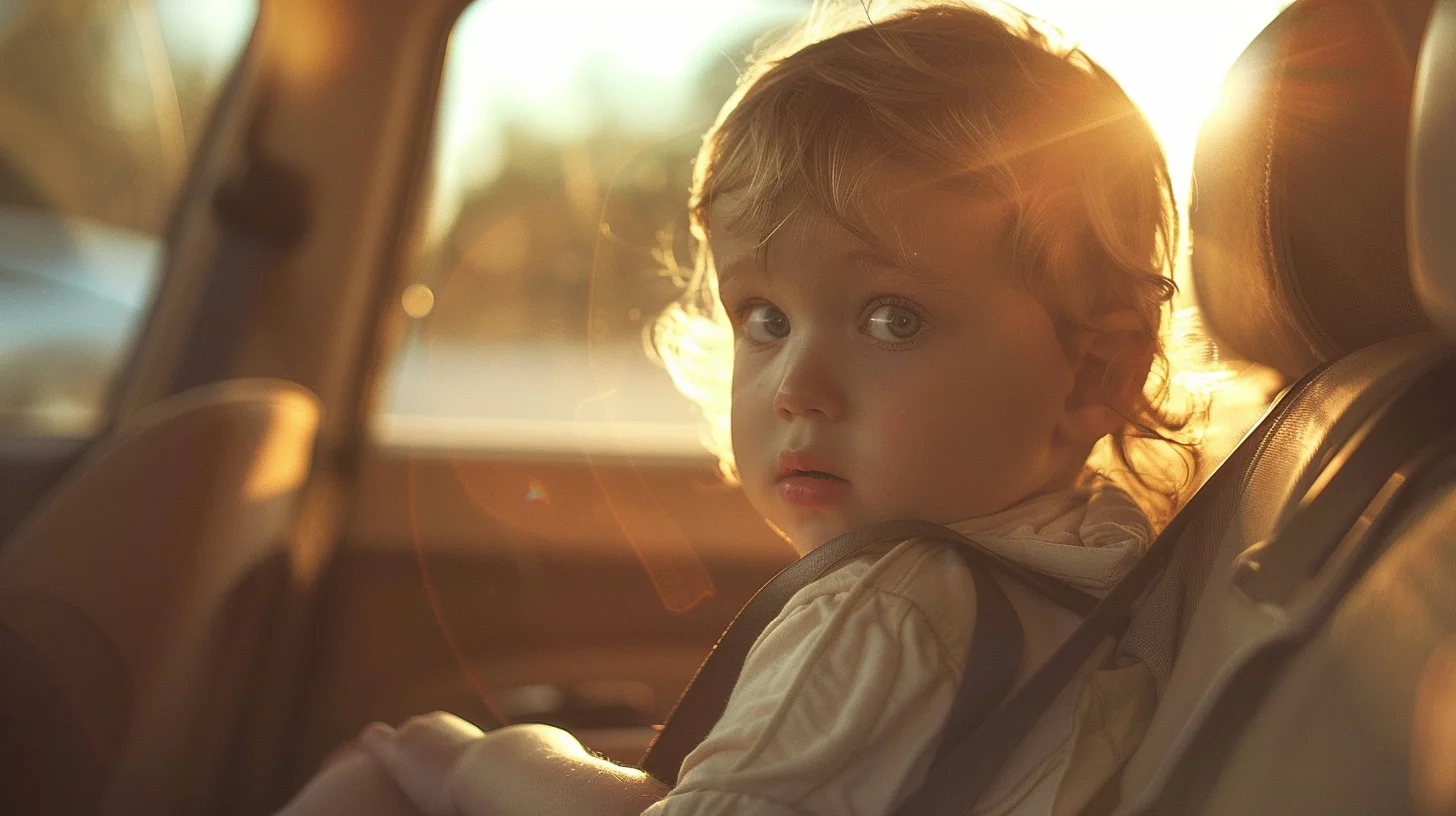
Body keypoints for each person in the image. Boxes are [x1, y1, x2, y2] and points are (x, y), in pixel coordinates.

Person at [278, 1, 1200, 814]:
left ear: (1092, 377)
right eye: (765, 318)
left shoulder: (888, 611)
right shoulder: (1090, 561)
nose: (796, 386)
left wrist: (488, 765)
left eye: (893, 318)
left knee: (380, 774)